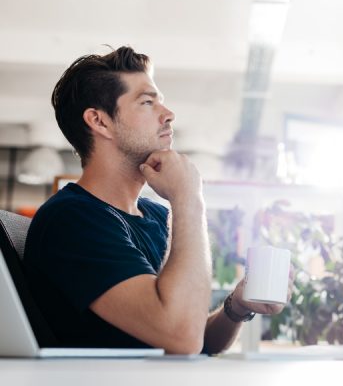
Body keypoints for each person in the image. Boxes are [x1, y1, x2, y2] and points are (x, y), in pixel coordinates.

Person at [23, 46, 291, 354]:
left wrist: (237, 307)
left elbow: (194, 334)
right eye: (147, 102)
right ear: (100, 121)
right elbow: (182, 337)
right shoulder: (72, 220)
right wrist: (189, 197)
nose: (168, 114)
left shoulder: (153, 214)